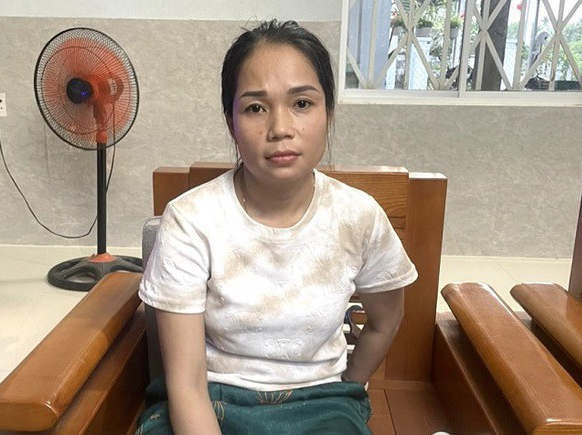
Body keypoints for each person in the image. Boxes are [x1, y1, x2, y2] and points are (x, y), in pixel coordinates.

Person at [138, 19, 417, 435]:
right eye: (255, 107)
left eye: (302, 103)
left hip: (321, 400)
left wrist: (348, 388)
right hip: (212, 397)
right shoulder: (191, 219)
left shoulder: (358, 216)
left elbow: (385, 320)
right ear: (231, 123)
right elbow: (187, 383)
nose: (281, 129)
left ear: (328, 113)